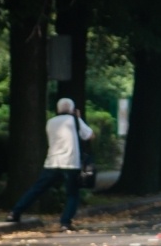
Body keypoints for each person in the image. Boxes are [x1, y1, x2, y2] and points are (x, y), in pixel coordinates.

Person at [6, 98, 95, 232]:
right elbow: (90, 136)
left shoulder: (50, 122)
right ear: (72, 109)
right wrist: (79, 118)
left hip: (52, 161)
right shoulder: (75, 120)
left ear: (58, 109)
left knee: (37, 189)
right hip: (70, 162)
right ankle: (65, 222)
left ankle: (15, 212)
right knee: (72, 194)